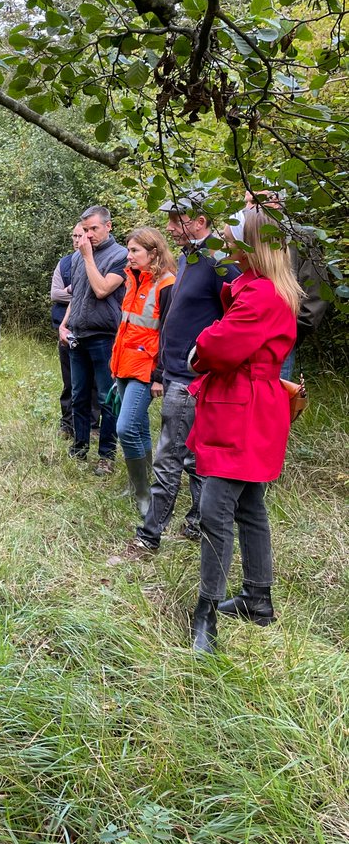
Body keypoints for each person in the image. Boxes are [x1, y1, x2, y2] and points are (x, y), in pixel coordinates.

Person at [187, 209, 302, 653]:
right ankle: (258, 598)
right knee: (250, 506)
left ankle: (207, 611)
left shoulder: (260, 296)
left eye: (233, 237)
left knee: (215, 511)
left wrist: (201, 346)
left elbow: (217, 348)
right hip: (253, 407)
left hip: (242, 410)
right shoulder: (269, 291)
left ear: (250, 244)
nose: (227, 242)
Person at [121, 195, 240, 558]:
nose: (170, 227)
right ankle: (195, 524)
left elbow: (237, 314)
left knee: (169, 456)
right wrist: (161, 370)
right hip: (174, 373)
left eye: (177, 220)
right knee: (187, 455)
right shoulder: (189, 260)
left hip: (192, 378)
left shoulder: (218, 264)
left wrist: (206, 356)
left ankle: (148, 538)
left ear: (200, 221)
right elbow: (174, 318)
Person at [109, 228, 176, 516]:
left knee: (125, 428)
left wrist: (160, 375)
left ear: (154, 253)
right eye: (129, 249)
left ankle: (143, 494)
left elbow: (171, 334)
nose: (129, 255)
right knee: (137, 428)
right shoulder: (133, 278)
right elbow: (128, 326)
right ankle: (141, 484)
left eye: (135, 250)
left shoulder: (167, 284)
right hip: (123, 363)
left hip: (146, 367)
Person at [58, 205, 128, 474]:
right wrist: (64, 325)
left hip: (104, 337)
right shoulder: (77, 258)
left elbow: (100, 290)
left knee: (106, 397)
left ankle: (106, 456)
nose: (88, 235)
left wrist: (87, 257)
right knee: (78, 395)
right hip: (78, 335)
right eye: (84, 230)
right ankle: (79, 447)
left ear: (108, 226)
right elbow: (76, 297)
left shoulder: (120, 256)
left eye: (94, 229)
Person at [243, 189, 330, 380]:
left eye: (255, 201)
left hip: (279, 344)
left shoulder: (301, 238)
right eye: (247, 202)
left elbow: (316, 295)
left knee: (272, 402)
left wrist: (287, 333)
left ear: (277, 203)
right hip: (244, 340)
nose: (248, 208)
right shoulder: (246, 238)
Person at [50, 223, 99, 439]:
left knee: (95, 382)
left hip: (94, 331)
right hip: (66, 329)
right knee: (70, 380)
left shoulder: (100, 260)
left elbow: (101, 290)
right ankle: (67, 424)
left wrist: (75, 292)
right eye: (75, 235)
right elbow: (55, 294)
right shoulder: (65, 263)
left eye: (81, 235)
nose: (77, 240)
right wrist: (79, 292)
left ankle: (92, 425)